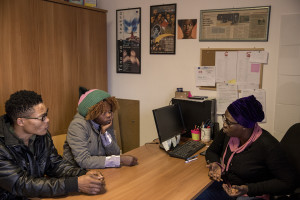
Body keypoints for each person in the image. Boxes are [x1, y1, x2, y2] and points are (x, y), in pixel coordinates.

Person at [0, 90, 105, 199]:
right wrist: (74, 184)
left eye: (46, 114)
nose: (48, 120)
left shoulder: (41, 134)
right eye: (42, 117)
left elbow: (55, 164)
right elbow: (20, 184)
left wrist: (82, 173)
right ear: (20, 122)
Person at [197, 95, 296, 200]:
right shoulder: (227, 132)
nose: (224, 124)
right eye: (224, 119)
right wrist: (215, 163)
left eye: (229, 122)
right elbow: (212, 151)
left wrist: (247, 189)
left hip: (251, 194)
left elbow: (288, 183)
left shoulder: (267, 145)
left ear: (245, 126)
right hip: (227, 186)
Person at [63, 89, 138, 169]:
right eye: (103, 112)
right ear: (92, 112)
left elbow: (115, 153)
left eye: (109, 111)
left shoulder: (104, 122)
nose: (109, 115)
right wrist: (119, 160)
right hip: (76, 173)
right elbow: (84, 161)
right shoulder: (78, 126)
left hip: (98, 170)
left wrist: (104, 133)